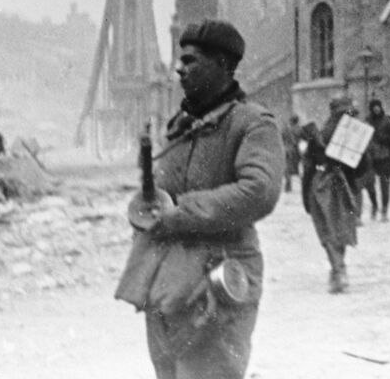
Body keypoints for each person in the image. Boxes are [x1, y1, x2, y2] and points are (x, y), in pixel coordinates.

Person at [115, 19, 284, 379]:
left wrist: (180, 214)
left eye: (192, 60)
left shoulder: (253, 124)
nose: (180, 68)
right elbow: (162, 195)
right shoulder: (181, 127)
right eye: (181, 60)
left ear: (223, 64)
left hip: (218, 278)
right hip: (167, 283)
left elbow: (260, 191)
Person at [301, 95, 369, 293]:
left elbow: (308, 166)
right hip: (343, 186)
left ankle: (338, 270)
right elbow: (364, 166)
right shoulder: (354, 134)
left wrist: (306, 194)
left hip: (322, 185)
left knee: (327, 229)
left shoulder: (320, 134)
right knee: (340, 229)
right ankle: (338, 269)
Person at [363, 98, 390, 221]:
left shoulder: (388, 121)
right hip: (370, 158)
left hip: (385, 157)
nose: (376, 108)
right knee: (369, 185)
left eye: (378, 106)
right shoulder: (367, 121)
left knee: (385, 187)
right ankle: (374, 205)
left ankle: (384, 210)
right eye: (374, 106)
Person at [280, 115, 301, 194]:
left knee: (287, 168)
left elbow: (280, 137)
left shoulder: (286, 129)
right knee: (296, 168)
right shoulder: (299, 129)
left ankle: (288, 185)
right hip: (295, 150)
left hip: (286, 150)